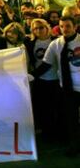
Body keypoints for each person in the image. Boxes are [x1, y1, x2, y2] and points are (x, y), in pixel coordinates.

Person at [34, 16, 80, 156]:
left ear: (75, 26)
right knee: (71, 120)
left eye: (67, 26)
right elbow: (46, 65)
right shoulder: (56, 44)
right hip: (67, 88)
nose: (64, 29)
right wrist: (28, 76)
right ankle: (74, 146)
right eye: (61, 26)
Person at [24, 18, 60, 140]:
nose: (38, 30)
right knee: (43, 108)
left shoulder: (56, 41)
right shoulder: (30, 43)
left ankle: (58, 132)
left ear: (47, 28)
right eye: (35, 28)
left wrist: (34, 74)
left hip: (56, 79)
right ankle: (47, 133)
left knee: (57, 107)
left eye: (41, 27)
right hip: (40, 81)